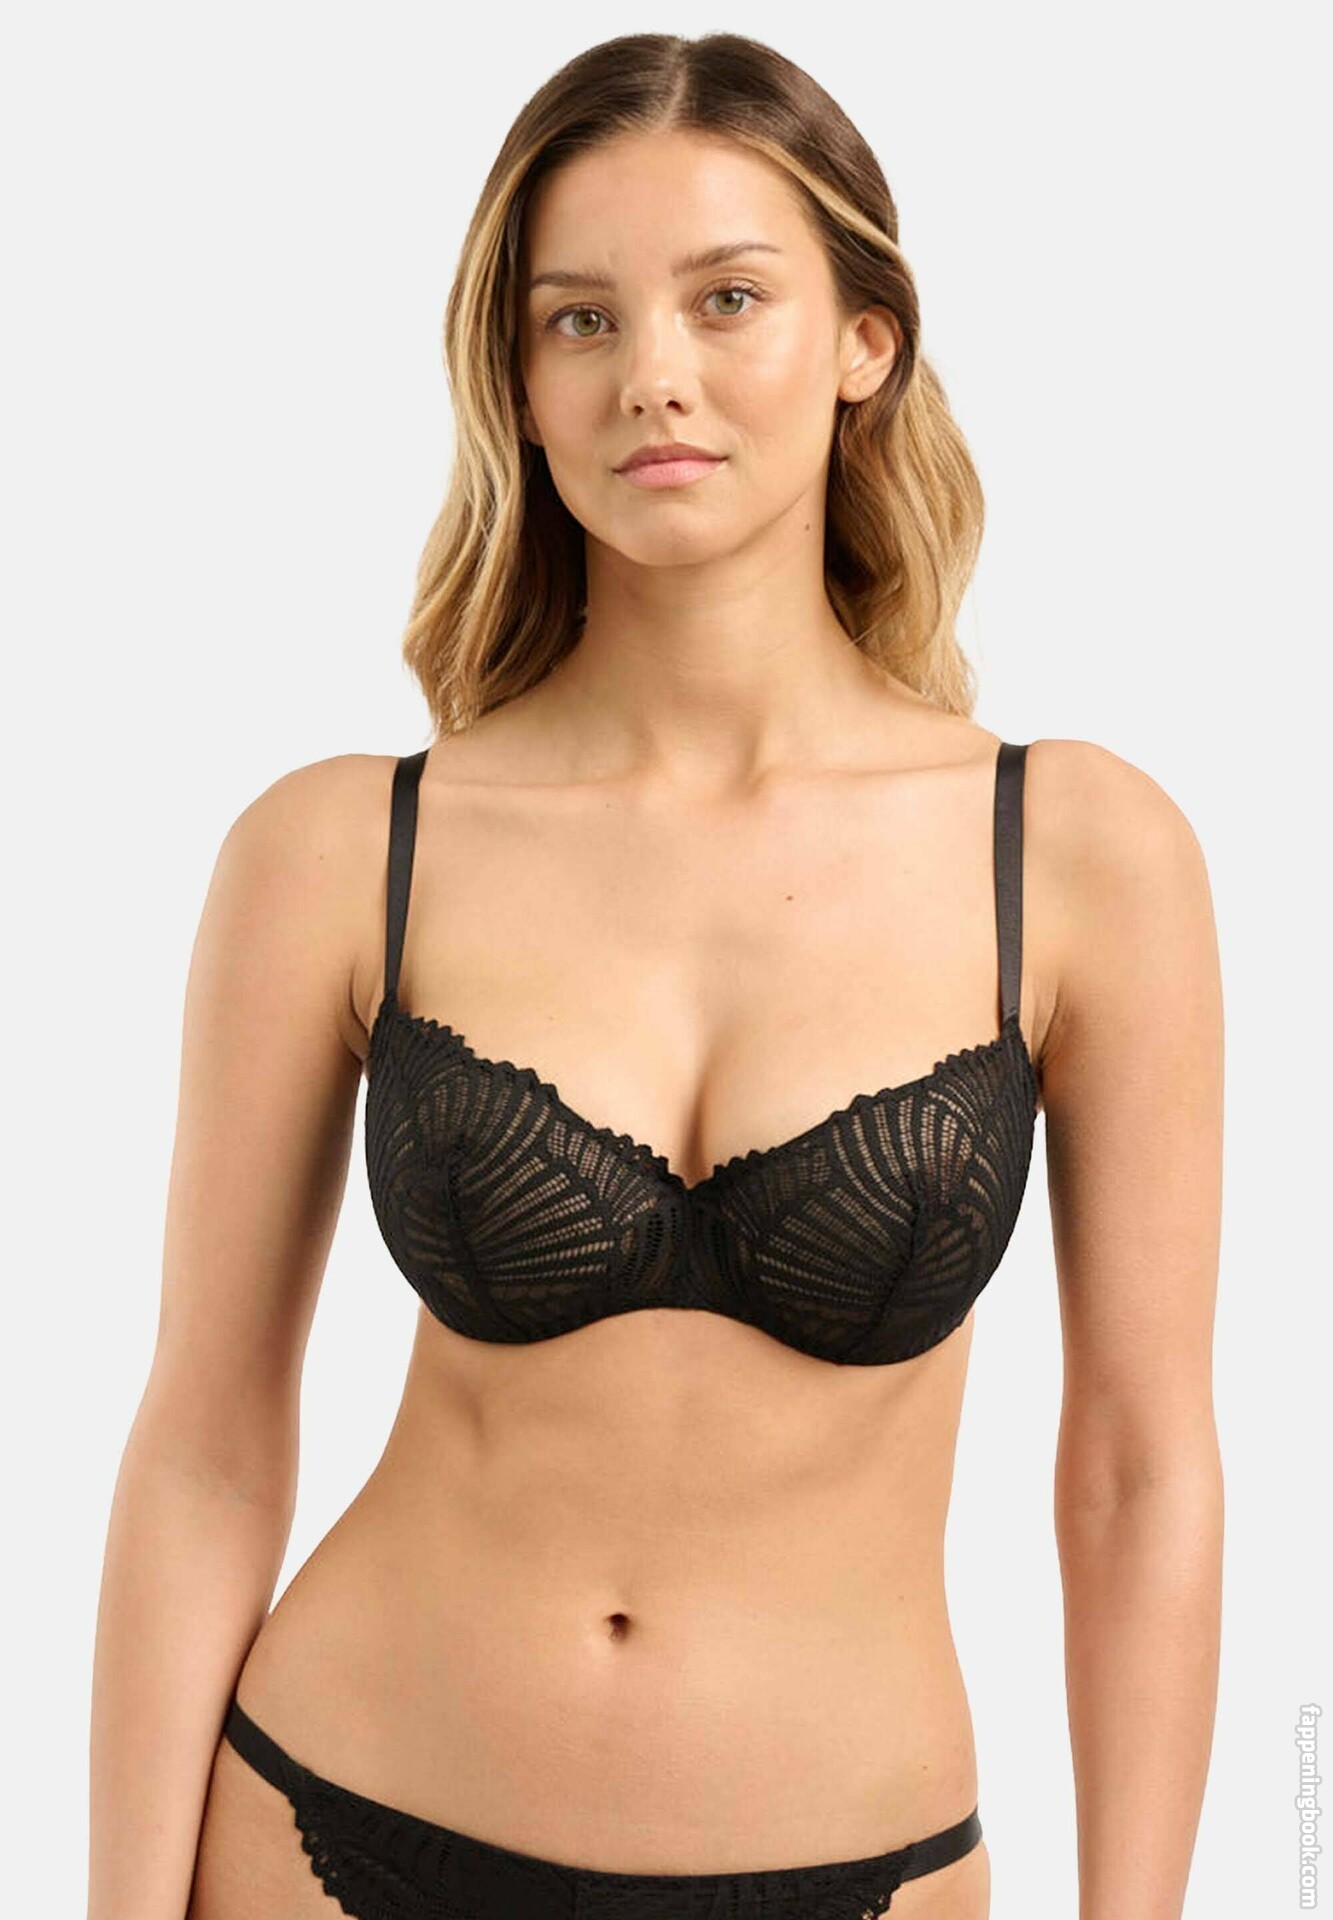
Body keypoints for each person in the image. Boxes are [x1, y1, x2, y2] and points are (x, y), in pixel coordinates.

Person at [87, 31, 1225, 1920]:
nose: (653, 377)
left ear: (864, 341)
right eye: (580, 320)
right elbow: (204, 1447)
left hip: (858, 1867)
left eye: (727, 298)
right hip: (328, 1825)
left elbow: (1137, 1470)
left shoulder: (1078, 854)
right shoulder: (339, 848)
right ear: (520, 383)